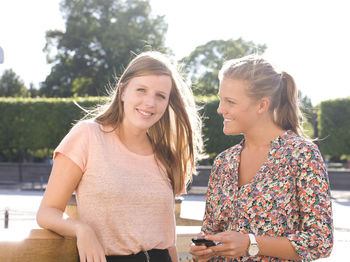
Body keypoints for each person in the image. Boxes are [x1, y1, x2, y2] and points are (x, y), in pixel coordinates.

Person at [36, 51, 203, 262]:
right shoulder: (88, 135)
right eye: (141, 90)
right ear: (122, 91)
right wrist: (81, 230)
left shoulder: (166, 156)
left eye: (160, 95)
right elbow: (47, 212)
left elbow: (167, 239)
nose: (150, 102)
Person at [190, 55, 333, 261]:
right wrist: (204, 253)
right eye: (221, 99)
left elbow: (320, 242)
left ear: (261, 105)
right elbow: (212, 233)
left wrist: (250, 243)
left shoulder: (302, 155)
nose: (220, 109)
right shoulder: (223, 162)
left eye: (230, 101)